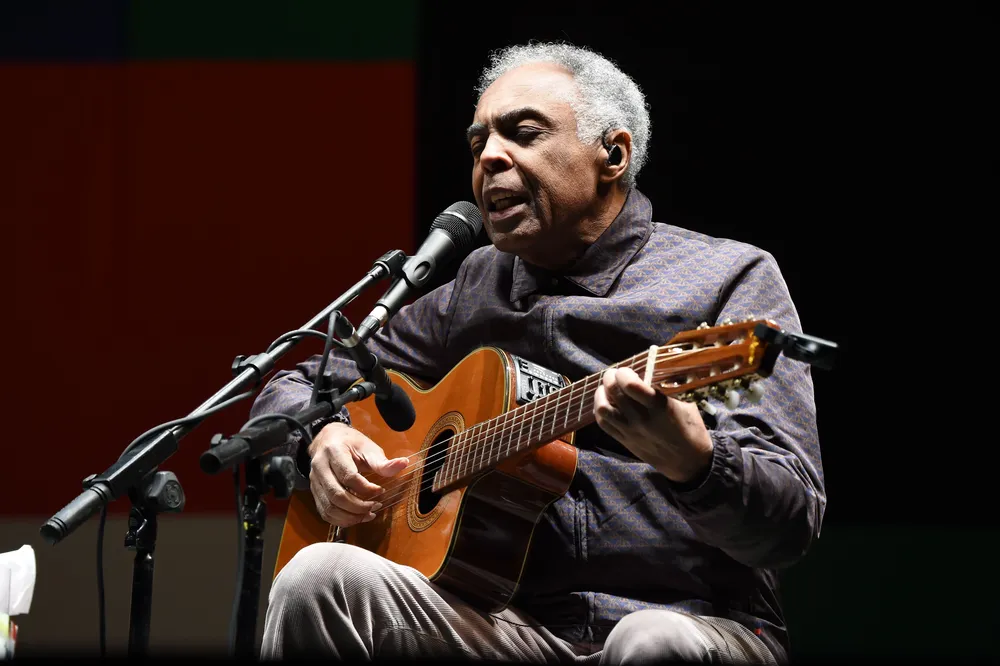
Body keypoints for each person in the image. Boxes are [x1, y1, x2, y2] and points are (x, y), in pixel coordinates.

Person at [251, 42, 825, 664]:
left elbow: (788, 523)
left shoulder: (728, 276)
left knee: (650, 642)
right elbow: (305, 380)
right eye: (478, 145)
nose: (491, 157)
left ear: (614, 154)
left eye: (524, 133)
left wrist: (696, 463)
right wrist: (324, 438)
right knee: (319, 578)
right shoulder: (473, 286)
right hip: (504, 626)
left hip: (695, 620)